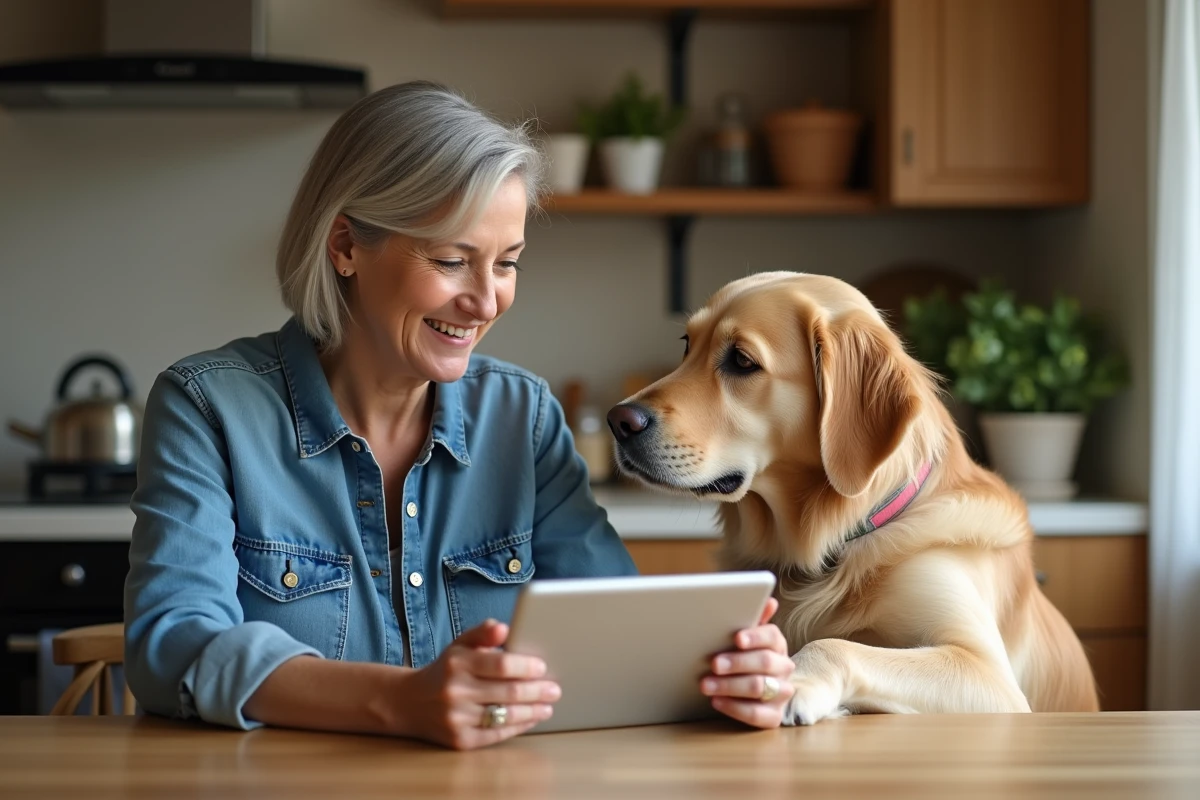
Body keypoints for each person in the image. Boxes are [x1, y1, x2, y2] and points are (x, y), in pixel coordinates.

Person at [123, 81, 796, 750]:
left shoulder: (522, 416)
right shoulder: (207, 407)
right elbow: (173, 647)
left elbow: (616, 629)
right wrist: (397, 703)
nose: (484, 301)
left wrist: (725, 674)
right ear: (345, 246)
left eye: (507, 265)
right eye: (451, 260)